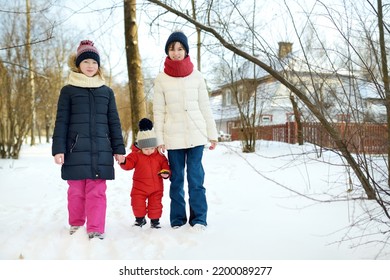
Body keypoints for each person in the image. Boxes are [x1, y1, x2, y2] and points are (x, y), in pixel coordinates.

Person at [52, 40, 125, 240]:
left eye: (94, 62)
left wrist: (119, 149)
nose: (90, 65)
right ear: (78, 65)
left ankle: (95, 228)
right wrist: (58, 149)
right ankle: (76, 223)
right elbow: (61, 121)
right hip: (74, 150)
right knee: (76, 191)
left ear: (99, 65)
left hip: (101, 150)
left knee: (97, 191)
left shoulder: (106, 92)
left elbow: (114, 123)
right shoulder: (68, 90)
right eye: (86, 62)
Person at [153, 31, 218, 231]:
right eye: (172, 49)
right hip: (173, 138)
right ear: (167, 52)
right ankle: (178, 220)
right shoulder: (161, 79)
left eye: (180, 48)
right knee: (177, 180)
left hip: (196, 136)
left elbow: (205, 107)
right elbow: (159, 111)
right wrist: (159, 138)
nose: (176, 53)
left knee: (196, 179)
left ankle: (199, 219)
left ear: (186, 51)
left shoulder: (197, 76)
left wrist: (212, 134)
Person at [117, 118, 170, 229]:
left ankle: (155, 221)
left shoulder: (159, 156)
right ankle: (139, 220)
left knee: (155, 205)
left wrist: (165, 172)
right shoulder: (136, 155)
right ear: (140, 147)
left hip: (156, 187)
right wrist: (124, 161)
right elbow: (129, 164)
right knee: (137, 203)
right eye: (146, 149)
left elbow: (165, 165)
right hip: (139, 187)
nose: (149, 151)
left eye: (152, 148)